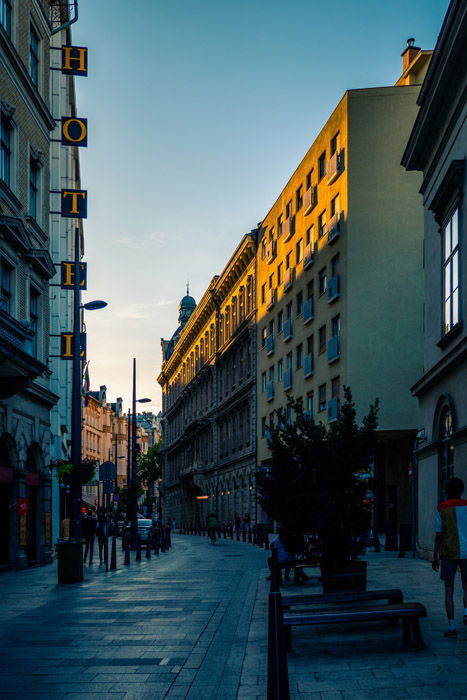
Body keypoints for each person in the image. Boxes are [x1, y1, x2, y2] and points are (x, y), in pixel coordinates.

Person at [432, 477, 467, 638]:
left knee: (449, 590)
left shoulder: (441, 508)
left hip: (448, 552)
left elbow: (438, 535)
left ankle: (452, 627)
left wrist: (435, 556)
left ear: (446, 490)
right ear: (461, 490)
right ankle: (466, 613)